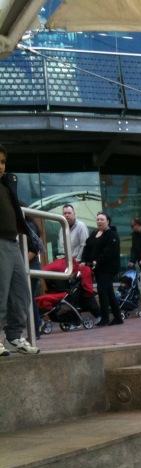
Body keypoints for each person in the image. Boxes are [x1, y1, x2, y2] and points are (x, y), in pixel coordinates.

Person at [0, 143, 40, 356]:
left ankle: (14, 337)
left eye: (3, 161)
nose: (0, 166)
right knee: (0, 292)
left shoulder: (6, 185)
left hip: (11, 242)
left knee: (20, 293)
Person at [80, 211, 123, 326]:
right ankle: (118, 317)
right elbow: (87, 247)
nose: (99, 221)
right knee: (109, 292)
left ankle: (105, 318)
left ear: (107, 221)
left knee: (102, 290)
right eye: (98, 219)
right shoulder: (94, 233)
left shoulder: (112, 234)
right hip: (98, 269)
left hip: (108, 268)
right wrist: (84, 260)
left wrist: (97, 261)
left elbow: (109, 252)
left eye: (102, 219)